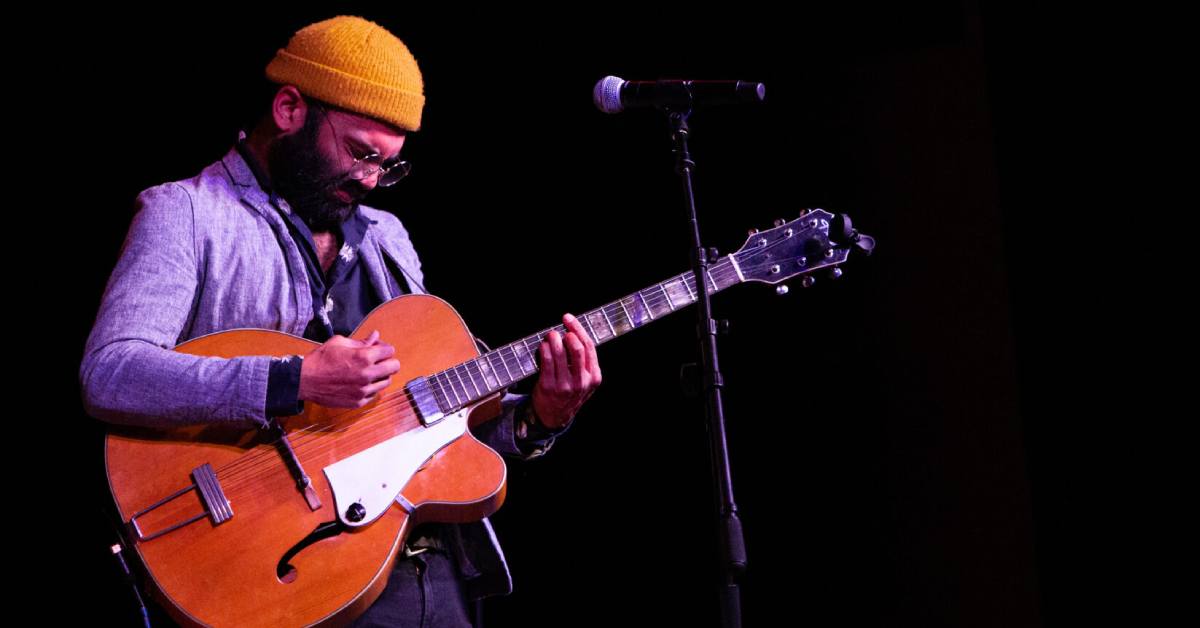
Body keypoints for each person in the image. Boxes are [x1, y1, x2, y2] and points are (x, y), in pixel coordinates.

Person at [79, 15, 601, 627]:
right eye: (359, 153)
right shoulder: (185, 214)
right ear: (290, 108)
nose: (371, 179)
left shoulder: (389, 238)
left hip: (430, 576)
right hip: (284, 574)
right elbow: (110, 373)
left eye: (389, 166)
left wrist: (541, 416)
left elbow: (429, 421)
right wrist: (292, 381)